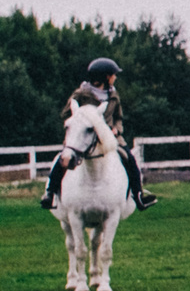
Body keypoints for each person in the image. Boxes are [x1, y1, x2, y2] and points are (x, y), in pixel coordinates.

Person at [41, 57, 157, 212]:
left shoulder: (114, 95)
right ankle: (50, 192)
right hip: (83, 136)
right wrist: (80, 120)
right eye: (113, 74)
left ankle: (138, 195)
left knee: (129, 158)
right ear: (105, 77)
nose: (115, 77)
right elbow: (66, 113)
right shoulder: (81, 94)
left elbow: (118, 118)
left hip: (110, 137)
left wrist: (116, 129)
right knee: (63, 158)